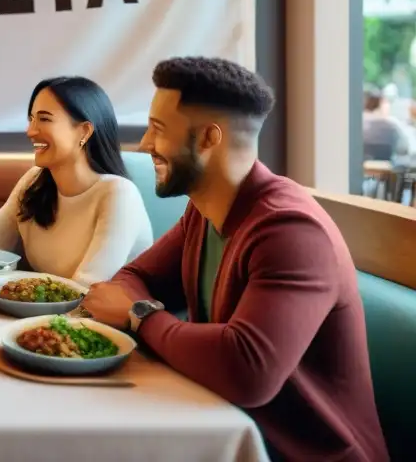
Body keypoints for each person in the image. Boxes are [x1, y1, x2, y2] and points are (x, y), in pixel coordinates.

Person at [81, 57, 388, 462]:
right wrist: (141, 307)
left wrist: (140, 315)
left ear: (209, 138)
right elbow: (133, 277)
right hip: (220, 427)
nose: (145, 146)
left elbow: (248, 370)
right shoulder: (203, 212)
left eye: (158, 130)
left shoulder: (291, 231)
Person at [0, 77, 152, 285]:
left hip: (99, 316)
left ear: (84, 131)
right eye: (31, 119)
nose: (30, 131)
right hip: (51, 314)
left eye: (44, 119)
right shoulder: (35, 181)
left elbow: (87, 286)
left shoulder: (119, 194)